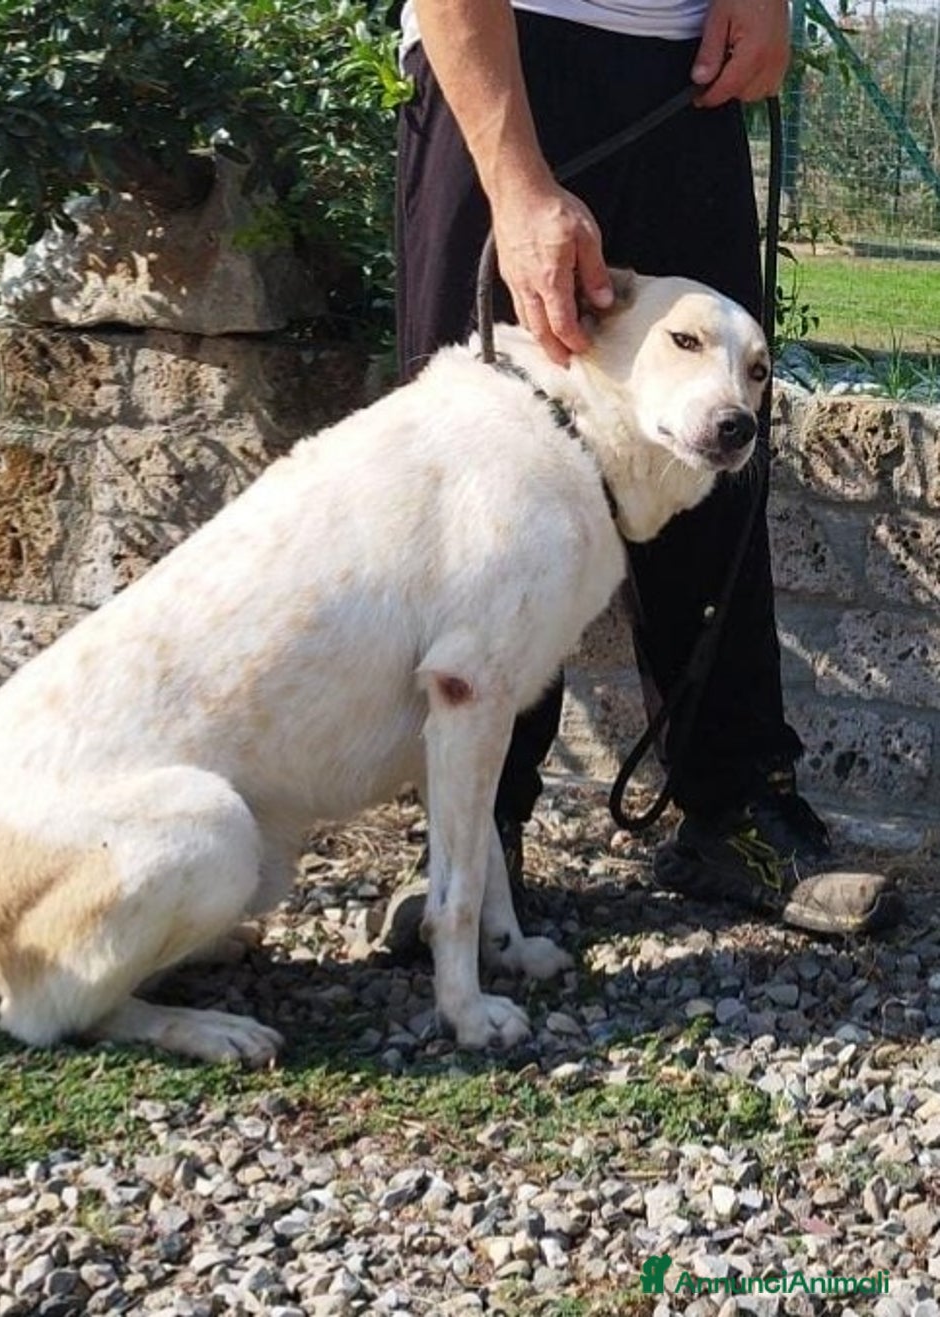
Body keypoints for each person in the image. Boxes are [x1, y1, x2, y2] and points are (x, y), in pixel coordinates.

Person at [392, 0, 899, 936]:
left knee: (713, 435)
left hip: (682, 63)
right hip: (503, 55)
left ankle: (736, 809)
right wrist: (514, 182)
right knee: (482, 472)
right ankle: (473, 834)